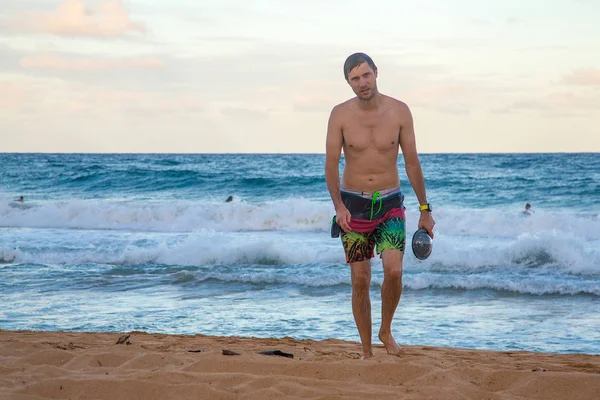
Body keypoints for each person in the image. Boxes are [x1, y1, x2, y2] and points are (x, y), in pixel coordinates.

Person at [325, 52, 435, 359]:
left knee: (395, 271)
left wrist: (425, 210)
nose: (362, 83)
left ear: (376, 72)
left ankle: (385, 330)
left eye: (366, 75)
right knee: (360, 280)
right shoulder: (340, 115)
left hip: (389, 203)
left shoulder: (399, 111)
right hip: (353, 207)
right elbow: (331, 164)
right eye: (355, 79)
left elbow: (412, 163)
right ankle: (366, 351)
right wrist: (339, 207)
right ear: (348, 82)